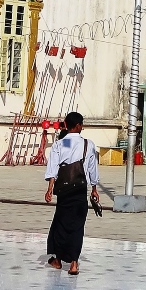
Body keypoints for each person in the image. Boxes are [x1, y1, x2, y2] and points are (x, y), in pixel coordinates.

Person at [43, 111, 99, 275]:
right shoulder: (88, 144)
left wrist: (49, 189)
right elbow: (92, 168)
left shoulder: (61, 144)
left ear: (66, 125)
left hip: (63, 190)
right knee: (77, 226)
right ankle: (74, 264)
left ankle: (58, 261)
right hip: (80, 189)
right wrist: (94, 188)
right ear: (79, 126)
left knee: (60, 224)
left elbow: (53, 168)